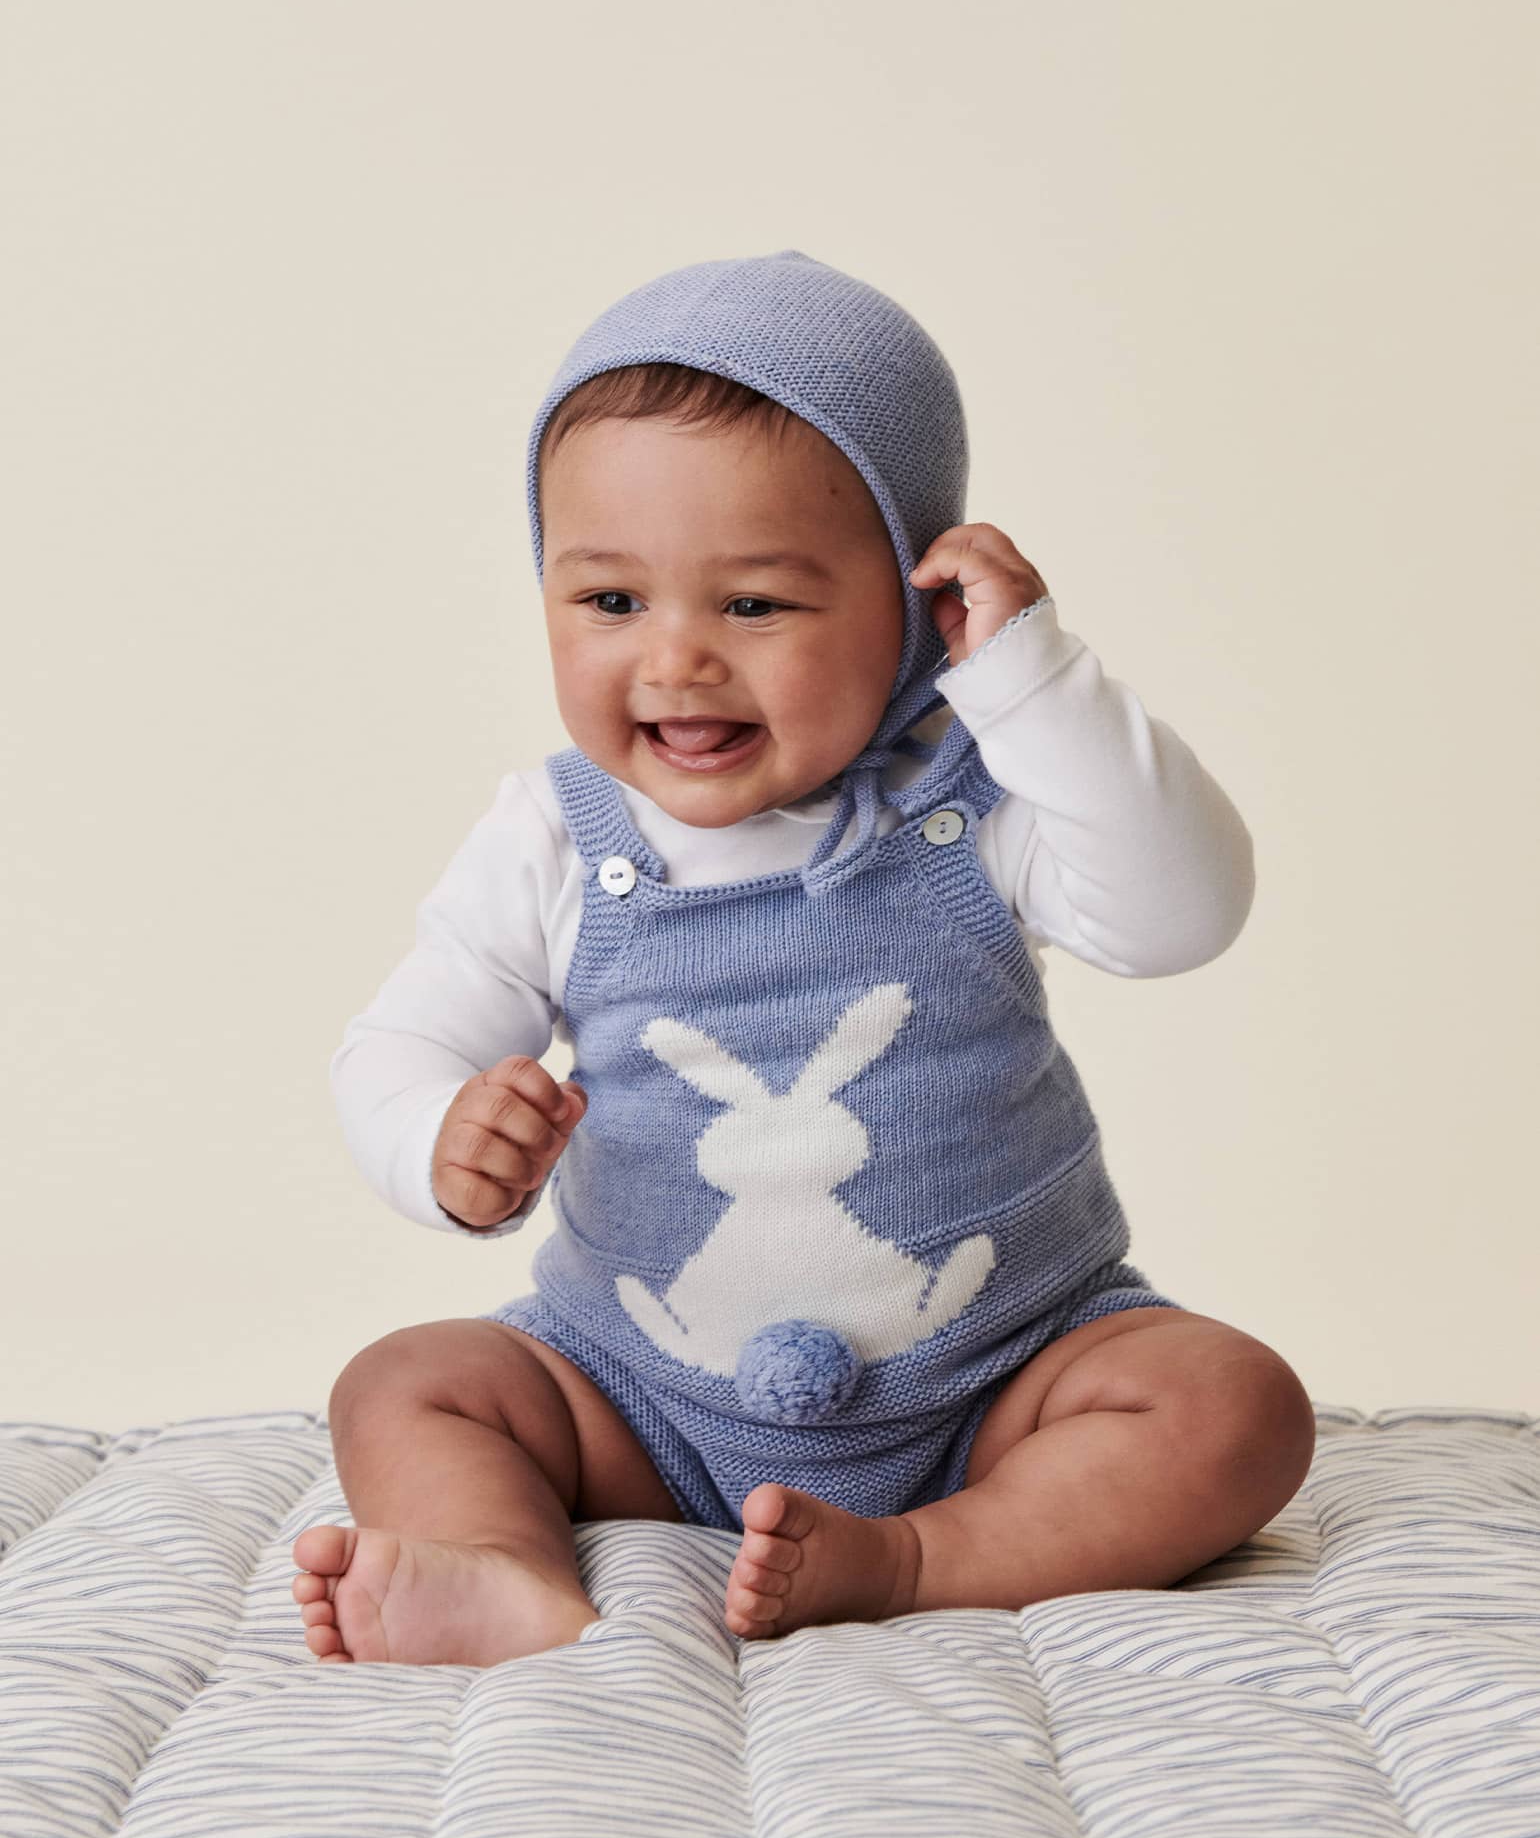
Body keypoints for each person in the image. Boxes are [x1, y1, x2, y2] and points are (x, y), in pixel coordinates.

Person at [292, 250, 1316, 1668]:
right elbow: (399, 1047)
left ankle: (923, 1555)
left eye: (755, 605)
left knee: (1232, 1403)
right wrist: (439, 1140)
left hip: (1001, 1383)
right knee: (412, 1383)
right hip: (638, 1394)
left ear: (913, 604)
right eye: (611, 602)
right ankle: (491, 1564)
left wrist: (1030, 679)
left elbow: (1182, 912)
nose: (677, 662)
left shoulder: (977, 801)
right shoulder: (555, 837)